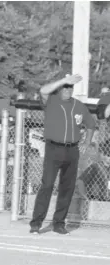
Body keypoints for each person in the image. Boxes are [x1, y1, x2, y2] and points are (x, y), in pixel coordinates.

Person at [29, 73, 96, 235]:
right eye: (65, 87)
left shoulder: (78, 105)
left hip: (72, 150)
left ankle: (59, 222)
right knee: (47, 185)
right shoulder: (52, 101)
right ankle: (36, 223)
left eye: (70, 87)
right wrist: (64, 80)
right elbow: (43, 91)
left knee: (67, 187)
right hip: (54, 148)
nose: (67, 90)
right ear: (59, 89)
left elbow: (90, 124)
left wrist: (87, 142)